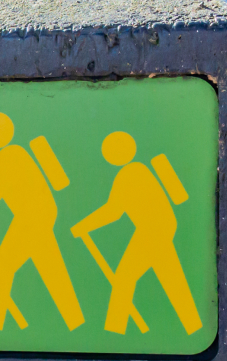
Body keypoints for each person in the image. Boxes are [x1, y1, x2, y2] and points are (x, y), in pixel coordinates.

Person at [0, 112, 84, 332]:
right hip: (43, 215)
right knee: (52, 270)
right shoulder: (19, 152)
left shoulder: (7, 157)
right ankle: (76, 322)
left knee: (2, 269)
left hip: (30, 218)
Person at [70, 131, 203, 336]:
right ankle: (194, 326)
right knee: (172, 279)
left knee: (124, 278)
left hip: (152, 230)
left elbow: (113, 211)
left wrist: (84, 226)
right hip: (161, 227)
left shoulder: (129, 174)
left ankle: (114, 332)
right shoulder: (139, 169)